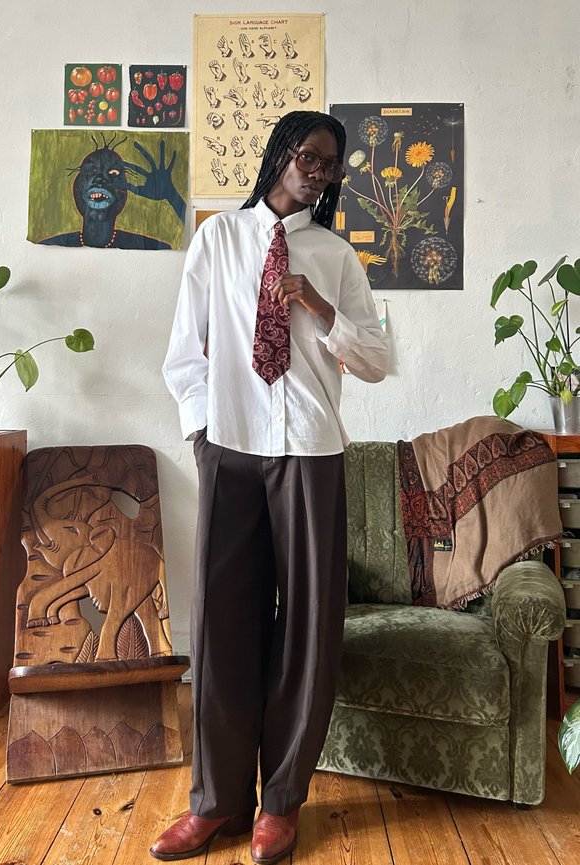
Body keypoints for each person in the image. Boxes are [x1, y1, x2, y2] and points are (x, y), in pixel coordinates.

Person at [155, 110, 390, 864]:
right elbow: (183, 355)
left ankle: (281, 801)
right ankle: (216, 802)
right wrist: (201, 433)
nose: (311, 166)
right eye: (301, 152)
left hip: (312, 451)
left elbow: (379, 358)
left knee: (310, 629)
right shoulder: (219, 240)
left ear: (333, 175)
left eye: (325, 161)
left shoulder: (336, 256)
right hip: (230, 446)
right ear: (278, 155)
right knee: (222, 626)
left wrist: (317, 305)